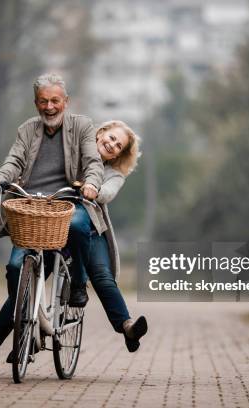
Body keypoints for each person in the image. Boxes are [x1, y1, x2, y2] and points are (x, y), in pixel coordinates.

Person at [0, 73, 104, 366]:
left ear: (66, 101)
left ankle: (78, 284)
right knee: (15, 268)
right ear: (35, 103)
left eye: (55, 101)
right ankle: (4, 337)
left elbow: (93, 162)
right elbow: (14, 161)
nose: (49, 107)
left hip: (66, 205)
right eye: (43, 101)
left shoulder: (82, 126)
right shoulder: (27, 129)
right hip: (31, 207)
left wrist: (90, 184)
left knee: (78, 225)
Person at [82, 119, 147, 353]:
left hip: (93, 229)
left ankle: (128, 326)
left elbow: (107, 193)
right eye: (111, 138)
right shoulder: (77, 154)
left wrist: (92, 190)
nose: (112, 145)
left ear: (119, 154)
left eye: (118, 146)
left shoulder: (114, 174)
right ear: (100, 133)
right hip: (57, 223)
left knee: (102, 275)